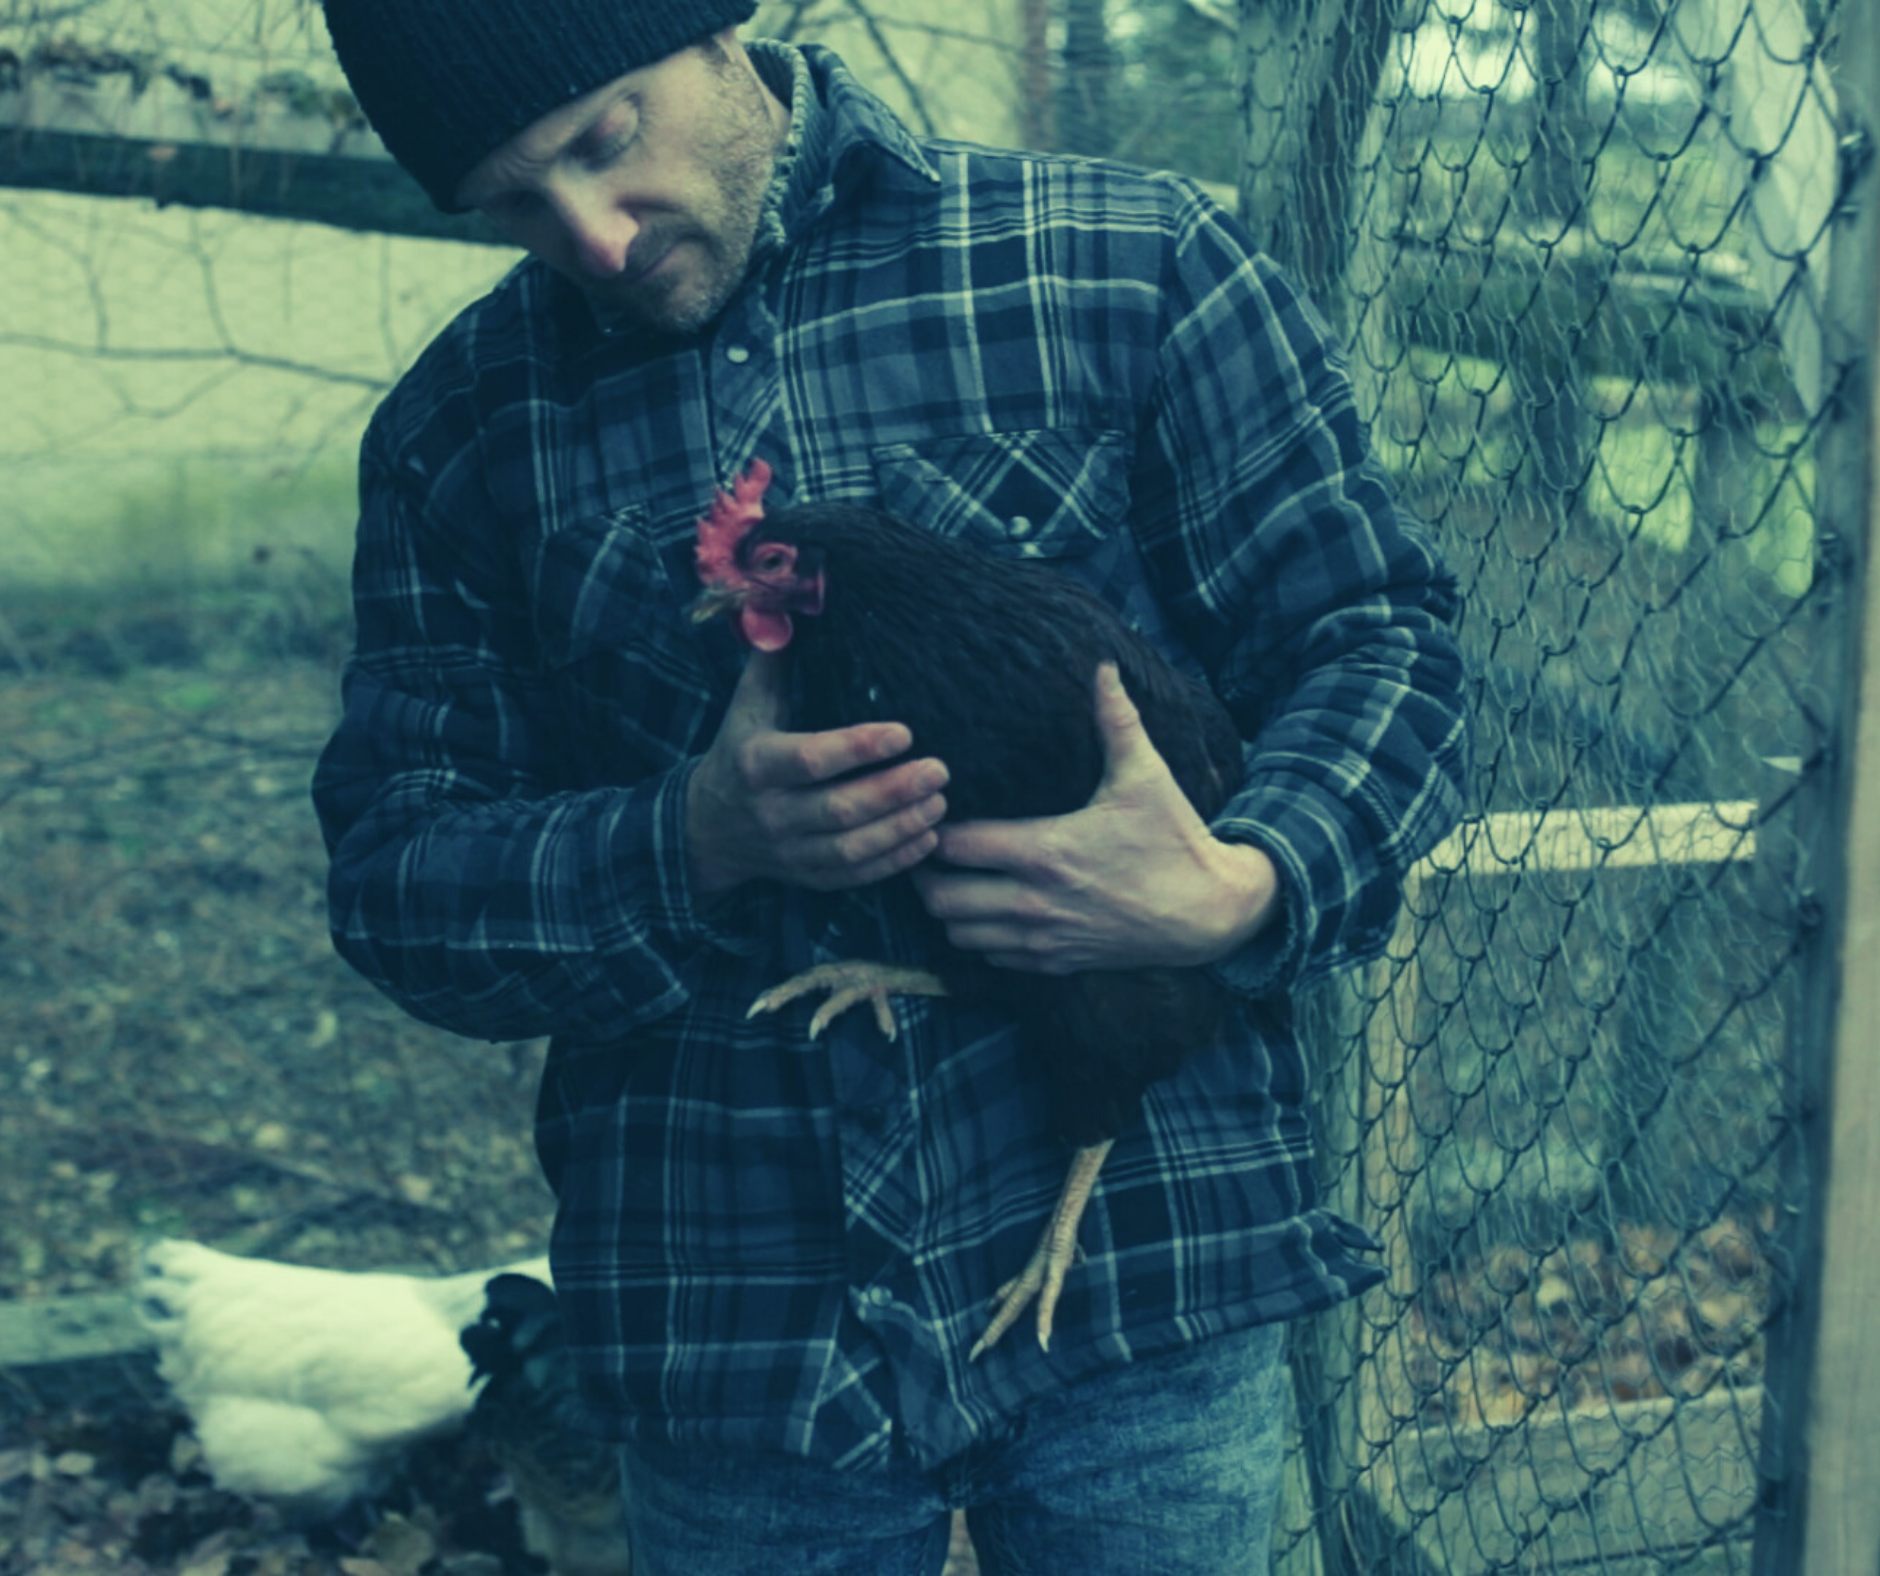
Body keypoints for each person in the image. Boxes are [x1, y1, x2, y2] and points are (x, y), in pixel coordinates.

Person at [311, 2, 1469, 1571]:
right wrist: (690, 840)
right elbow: (396, 885)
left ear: (722, 34)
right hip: (735, 1329)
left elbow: (1378, 639)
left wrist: (1242, 879)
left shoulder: (1126, 264)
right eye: (515, 202)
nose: (590, 237)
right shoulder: (459, 437)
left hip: (1144, 1278)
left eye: (606, 139)